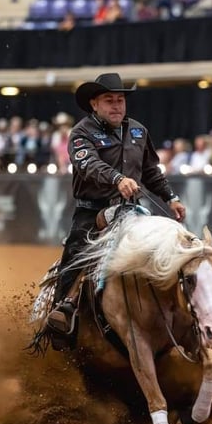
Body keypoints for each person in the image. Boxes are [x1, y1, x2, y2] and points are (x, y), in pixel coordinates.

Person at [46, 72, 186, 335]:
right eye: (108, 100)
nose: (116, 105)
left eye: (120, 100)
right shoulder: (80, 133)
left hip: (133, 210)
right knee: (75, 255)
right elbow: (88, 164)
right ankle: (61, 311)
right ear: (94, 104)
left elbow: (150, 171)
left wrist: (171, 198)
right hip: (92, 212)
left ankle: (173, 307)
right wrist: (117, 178)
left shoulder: (138, 130)